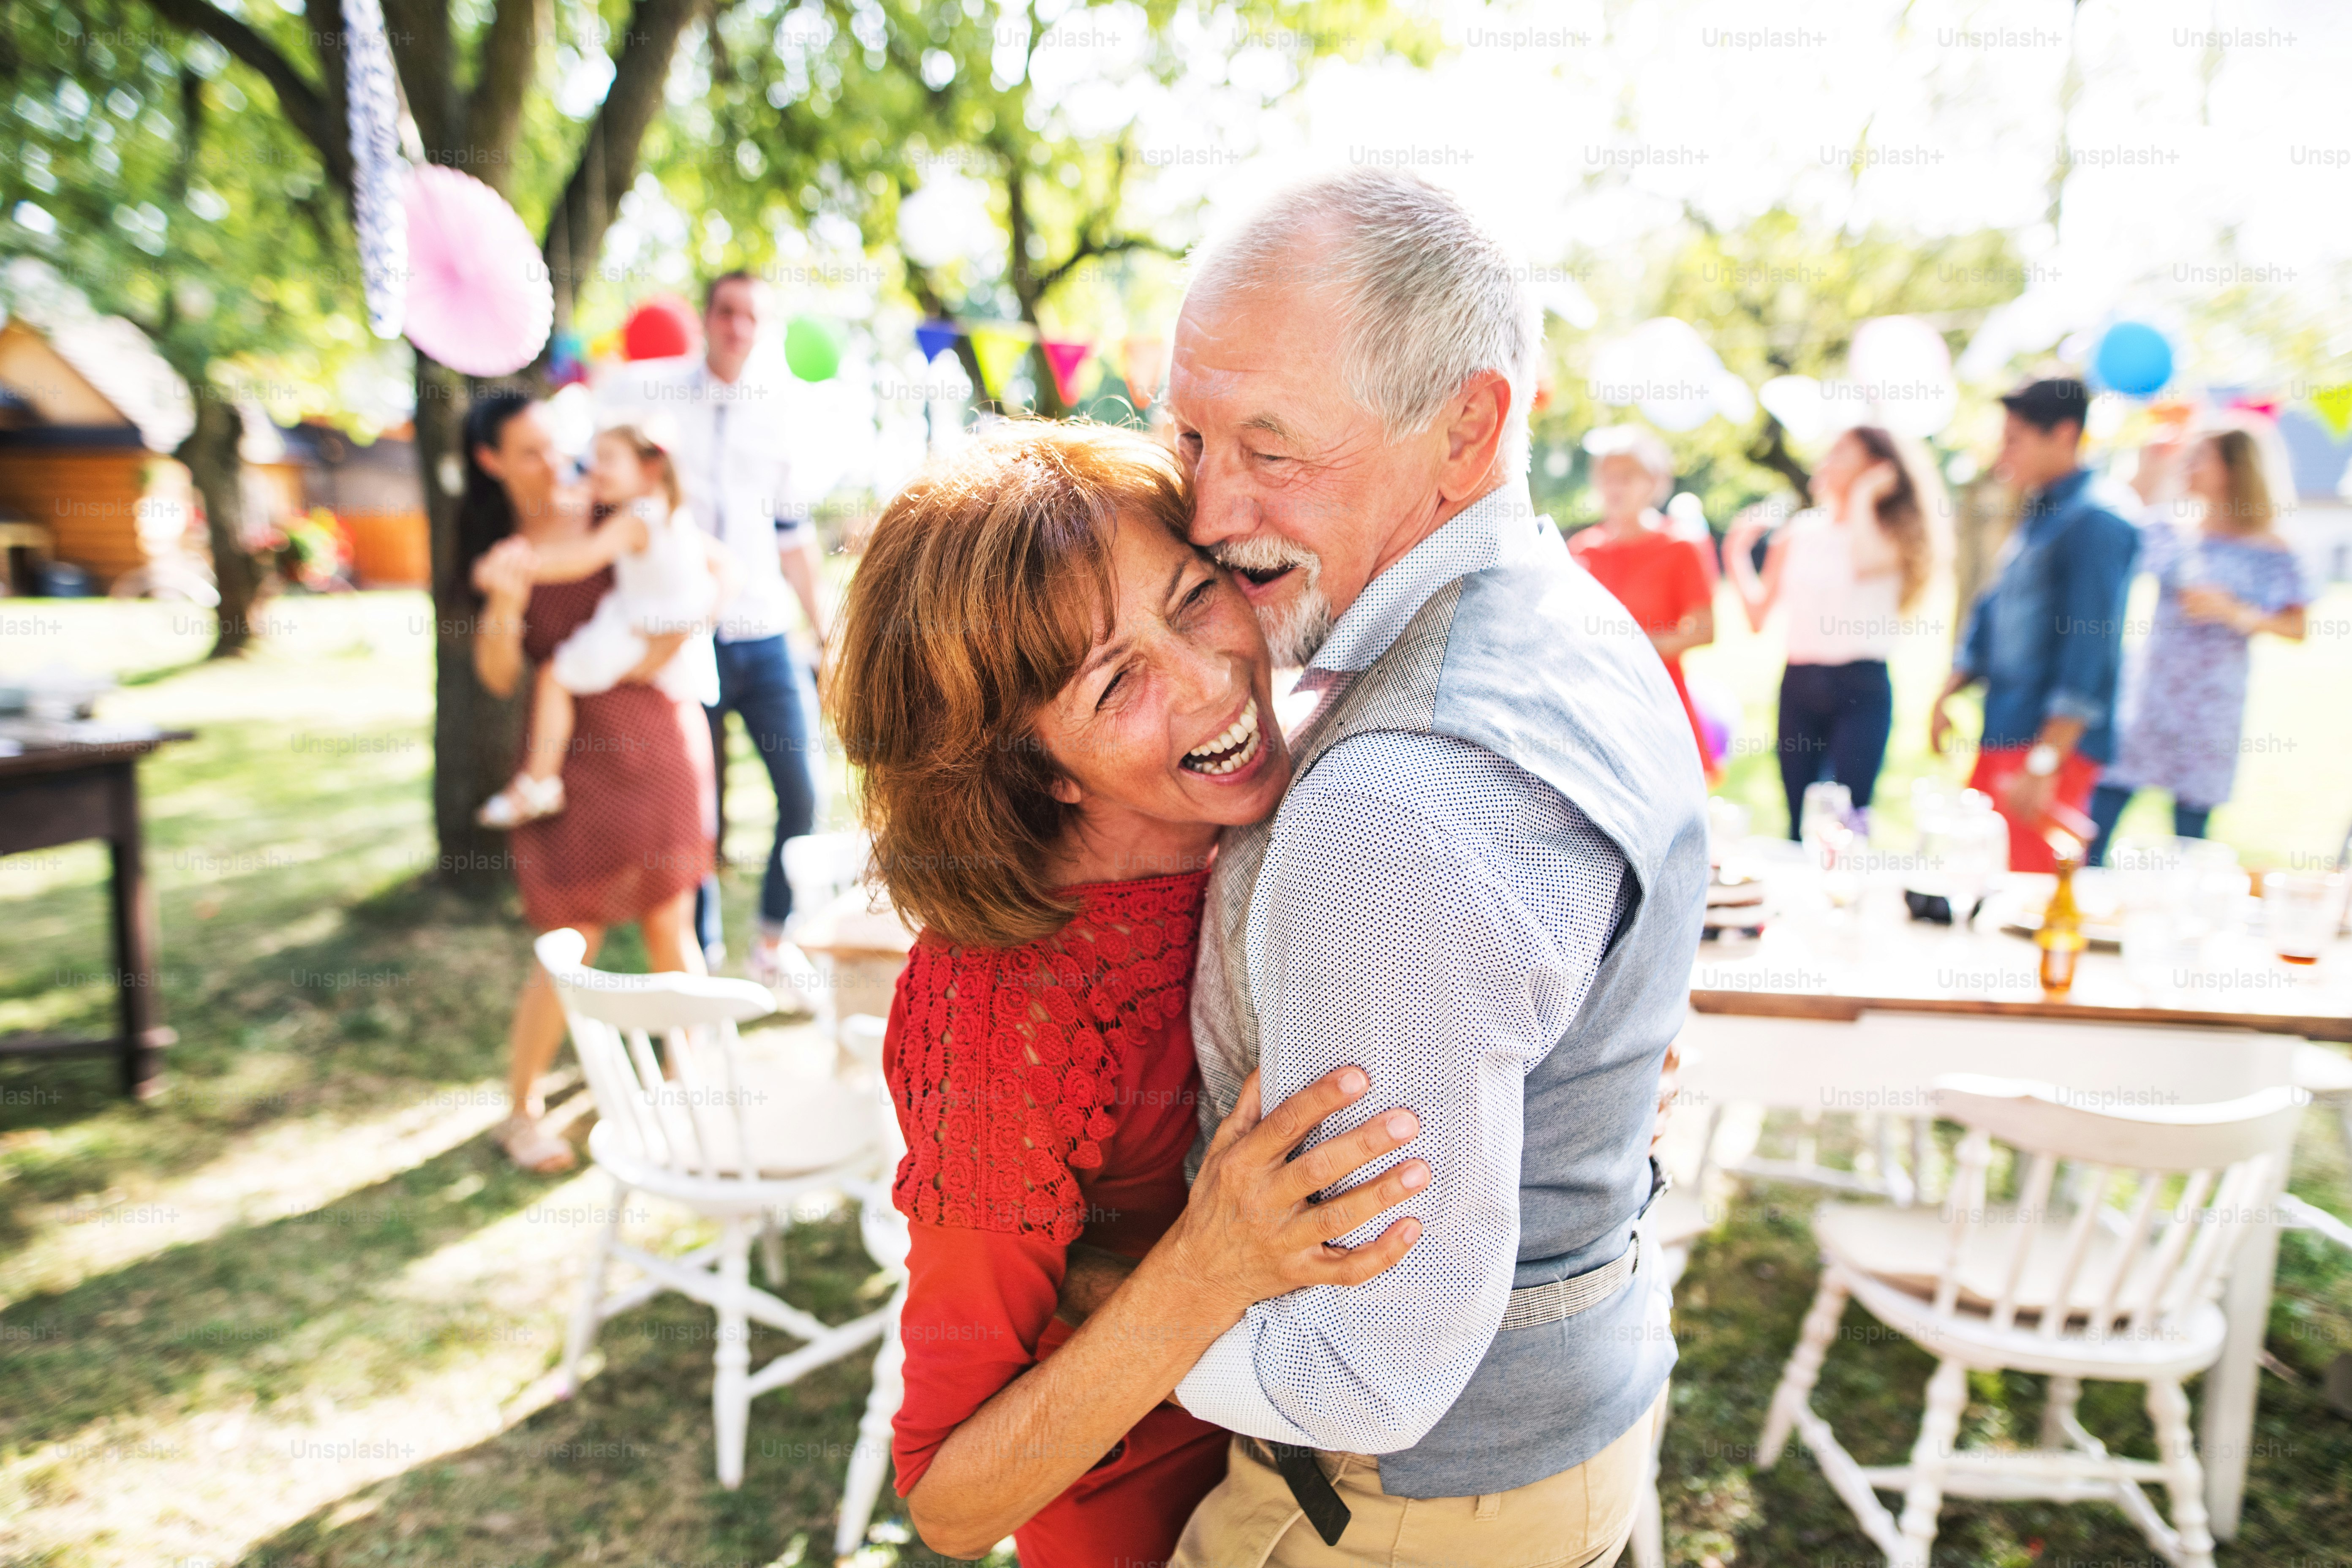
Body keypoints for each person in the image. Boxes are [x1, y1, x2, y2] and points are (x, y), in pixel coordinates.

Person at [1144, 169, 1706, 1566]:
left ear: (1465, 428)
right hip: (1561, 1430)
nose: (1209, 510)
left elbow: (1366, 1368)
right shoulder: (1571, 617)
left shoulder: (1389, 809)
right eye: (1189, 434)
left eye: (1270, 451)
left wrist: (1122, 1332)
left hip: (1389, 1507)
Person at [824, 422, 1431, 1566]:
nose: (1211, 680)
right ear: (1036, 765)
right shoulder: (1010, 1019)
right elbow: (949, 1502)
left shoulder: (1253, 817)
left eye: (1197, 597)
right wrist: (1206, 1270)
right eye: (1117, 683)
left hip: (1343, 1488)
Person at [462, 394, 716, 1173]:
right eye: (531, 452)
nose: (555, 464)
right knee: (569, 938)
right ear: (492, 462)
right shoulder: (503, 550)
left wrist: (663, 646)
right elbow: (500, 673)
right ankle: (522, 1109)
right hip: (569, 758)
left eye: (557, 447)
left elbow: (710, 574)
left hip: (653, 739)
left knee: (671, 921)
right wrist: (504, 602)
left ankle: (691, 1084)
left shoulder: (612, 514)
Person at [602, 272, 828, 985]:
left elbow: (793, 535)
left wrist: (825, 631)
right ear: (707, 318)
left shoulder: (783, 416)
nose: (737, 328)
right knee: (689, 811)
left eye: (751, 317)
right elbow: (606, 476)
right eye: (726, 312)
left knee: (802, 792)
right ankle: (696, 958)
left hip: (764, 634)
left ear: (762, 329)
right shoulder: (656, 398)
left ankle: (771, 939)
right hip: (684, 639)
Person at [1929, 378, 2140, 873]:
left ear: (2064, 435)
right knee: (1976, 874)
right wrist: (1951, 686)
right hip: (2005, 728)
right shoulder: (2040, 508)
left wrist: (2045, 761)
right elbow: (1996, 608)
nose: (2004, 455)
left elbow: (2092, 648)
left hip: (2046, 749)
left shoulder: (2097, 520)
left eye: (2015, 439)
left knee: (2024, 897)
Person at [476, 420, 725, 828]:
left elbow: (584, 558)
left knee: (554, 676)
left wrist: (518, 566)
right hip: (646, 623)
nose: (595, 469)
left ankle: (540, 782)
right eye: (594, 459)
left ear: (648, 469)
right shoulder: (662, 510)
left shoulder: (635, 518)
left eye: (609, 459)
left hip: (638, 629)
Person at [2088, 425, 2311, 862]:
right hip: (2151, 693)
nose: (2187, 468)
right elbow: (2116, 522)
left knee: (2189, 834)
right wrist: (2150, 463)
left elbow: (2296, 626)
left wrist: (2234, 612)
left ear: (2232, 468)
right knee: (2103, 809)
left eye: (2200, 458)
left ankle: (2180, 913)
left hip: (2211, 702)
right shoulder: (2171, 529)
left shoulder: (2271, 546)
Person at [1724, 425, 1943, 837]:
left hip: (1860, 687)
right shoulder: (1799, 532)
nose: (1828, 458)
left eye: (1844, 452)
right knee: (1799, 820)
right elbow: (1757, 617)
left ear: (1880, 468)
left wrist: (1862, 497)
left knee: (1849, 820)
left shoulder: (1893, 535)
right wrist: (1735, 553)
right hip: (1799, 684)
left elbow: (1864, 561)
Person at [1568, 425, 1719, 775]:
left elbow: (1703, 629)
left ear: (1654, 481)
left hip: (1658, 703)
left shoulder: (1682, 545)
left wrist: (1633, 649)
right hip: (1598, 704)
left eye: (1626, 476)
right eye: (1607, 477)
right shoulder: (1583, 549)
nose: (1615, 486)